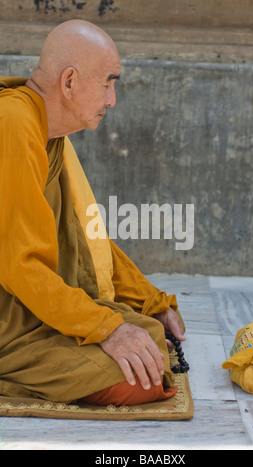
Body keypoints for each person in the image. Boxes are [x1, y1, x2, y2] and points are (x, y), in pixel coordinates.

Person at [0, 20, 185, 406]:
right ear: (69, 82)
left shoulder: (47, 132)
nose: (112, 99)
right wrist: (107, 328)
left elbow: (84, 235)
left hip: (28, 306)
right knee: (139, 379)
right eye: (107, 83)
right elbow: (19, 265)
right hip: (10, 319)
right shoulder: (13, 125)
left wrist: (149, 300)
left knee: (148, 336)